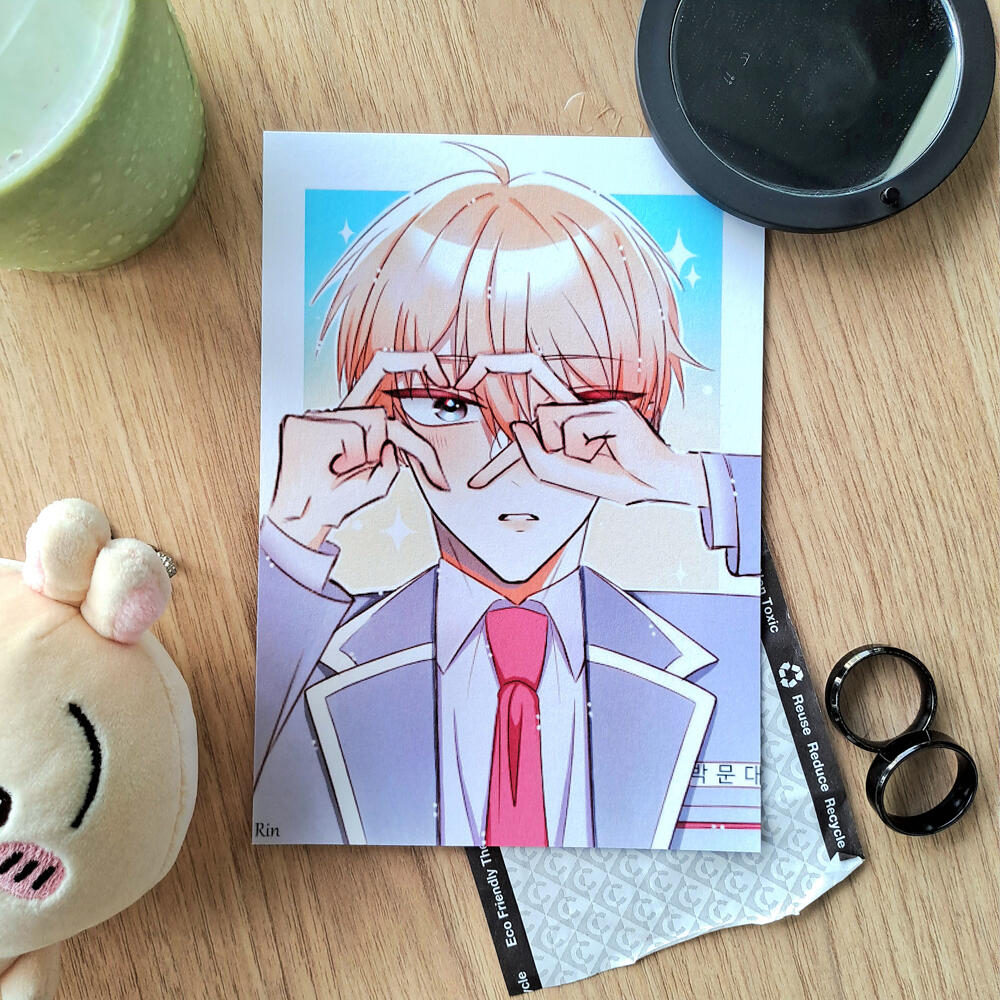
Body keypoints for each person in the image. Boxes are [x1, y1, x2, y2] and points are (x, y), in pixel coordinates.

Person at [253, 147, 760, 848]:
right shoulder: (307, 653)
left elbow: (841, 542)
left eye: (568, 400)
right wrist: (294, 533)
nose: (511, 457)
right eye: (451, 403)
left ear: (638, 410)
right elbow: (218, 767)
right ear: (381, 415)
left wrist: (685, 479)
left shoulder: (722, 638)